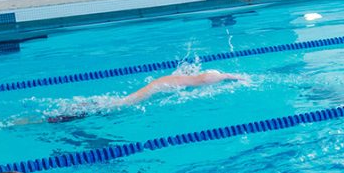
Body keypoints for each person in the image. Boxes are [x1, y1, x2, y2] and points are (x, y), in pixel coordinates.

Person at [43, 69, 240, 123]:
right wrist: (230, 77)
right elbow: (207, 78)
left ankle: (69, 114)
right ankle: (68, 115)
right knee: (110, 108)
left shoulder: (179, 79)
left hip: (138, 96)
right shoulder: (190, 81)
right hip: (135, 100)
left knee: (110, 106)